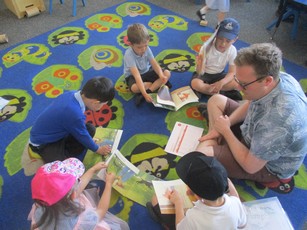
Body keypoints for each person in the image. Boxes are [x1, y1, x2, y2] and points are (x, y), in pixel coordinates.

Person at [197, 43, 307, 193]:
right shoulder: (279, 78)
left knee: (201, 156)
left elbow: (250, 166)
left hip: (265, 165)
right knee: (216, 100)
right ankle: (217, 140)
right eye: (238, 80)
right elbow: (251, 103)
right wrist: (226, 124)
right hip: (256, 131)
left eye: (243, 85)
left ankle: (217, 143)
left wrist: (226, 132)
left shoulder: (278, 121)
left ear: (267, 81)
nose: (238, 88)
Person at [146, 151, 247, 230]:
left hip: (188, 224)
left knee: (155, 199)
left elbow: (180, 228)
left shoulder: (193, 216)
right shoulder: (235, 203)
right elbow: (242, 224)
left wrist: (178, 203)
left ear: (196, 196)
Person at [29, 77, 115, 163]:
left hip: (56, 132)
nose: (103, 107)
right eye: (103, 104)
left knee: (90, 129)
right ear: (95, 102)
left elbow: (78, 127)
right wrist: (98, 149)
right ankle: (50, 153)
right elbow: (82, 134)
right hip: (44, 143)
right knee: (62, 165)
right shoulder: (74, 114)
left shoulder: (73, 94)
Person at [28, 158, 129, 229]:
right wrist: (108, 184)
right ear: (73, 195)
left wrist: (92, 170)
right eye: (76, 181)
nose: (78, 182)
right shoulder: (82, 219)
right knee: (122, 225)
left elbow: (75, 189)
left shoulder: (41, 206)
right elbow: (101, 211)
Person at [191, 18, 242, 102]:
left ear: (235, 39)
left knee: (235, 83)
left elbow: (232, 72)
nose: (223, 43)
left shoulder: (232, 50)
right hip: (204, 74)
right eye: (220, 38)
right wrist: (199, 64)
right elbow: (199, 72)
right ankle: (213, 91)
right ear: (216, 35)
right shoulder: (206, 48)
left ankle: (208, 90)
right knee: (195, 83)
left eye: (228, 41)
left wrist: (222, 82)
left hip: (219, 75)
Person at [123, 23, 171, 106]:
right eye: (139, 47)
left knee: (167, 73)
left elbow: (154, 63)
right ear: (130, 44)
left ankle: (150, 90)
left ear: (148, 40)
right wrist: (145, 94)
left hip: (147, 71)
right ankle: (151, 87)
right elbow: (137, 75)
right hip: (133, 76)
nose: (143, 49)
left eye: (145, 45)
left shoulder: (146, 49)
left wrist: (161, 75)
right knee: (134, 88)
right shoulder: (128, 55)